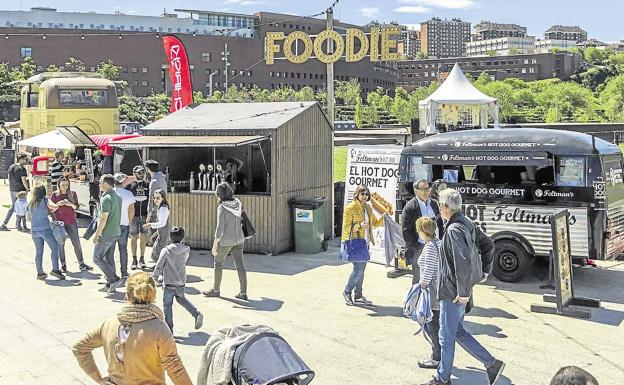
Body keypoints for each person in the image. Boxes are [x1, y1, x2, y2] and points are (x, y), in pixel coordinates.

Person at [421, 188, 504, 385]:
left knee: (445, 336)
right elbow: (488, 245)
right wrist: (484, 271)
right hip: (459, 291)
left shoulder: (452, 230)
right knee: (457, 331)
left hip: (453, 293)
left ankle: (442, 378)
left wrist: (464, 292)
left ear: (445, 207)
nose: (439, 209)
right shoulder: (466, 223)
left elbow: (462, 261)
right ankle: (491, 364)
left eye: (440, 206)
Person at [72, 272, 193, 385]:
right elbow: (175, 369)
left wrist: (98, 379)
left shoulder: (109, 323)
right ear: (153, 294)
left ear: (128, 295)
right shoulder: (159, 329)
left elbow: (79, 348)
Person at [202, 182, 248, 300]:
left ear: (219, 195)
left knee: (218, 263)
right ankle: (243, 293)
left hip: (226, 241)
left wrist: (215, 243)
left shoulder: (222, 207)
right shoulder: (238, 202)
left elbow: (220, 228)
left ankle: (216, 290)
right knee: (240, 265)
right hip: (240, 239)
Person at [152, 227, 204, 332]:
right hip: (181, 282)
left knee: (167, 306)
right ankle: (196, 313)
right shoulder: (186, 250)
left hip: (169, 283)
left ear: (170, 238)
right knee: (181, 299)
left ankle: (169, 329)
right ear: (182, 238)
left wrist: (155, 276)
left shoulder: (166, 250)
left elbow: (159, 265)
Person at [341, 185, 385, 306]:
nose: (365, 196)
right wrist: (359, 225)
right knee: (358, 270)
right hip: (355, 242)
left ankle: (358, 295)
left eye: (366, 194)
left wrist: (383, 218)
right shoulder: (350, 208)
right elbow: (346, 228)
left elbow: (374, 223)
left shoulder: (368, 208)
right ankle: (347, 291)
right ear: (357, 194)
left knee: (361, 270)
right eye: (362, 194)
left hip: (365, 242)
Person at [401, 179, 443, 284]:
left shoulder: (434, 204)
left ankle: (432, 299)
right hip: (420, 247)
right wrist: (417, 248)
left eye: (427, 189)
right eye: (422, 189)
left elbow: (440, 225)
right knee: (419, 279)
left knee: (435, 276)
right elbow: (406, 232)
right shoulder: (410, 208)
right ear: (415, 190)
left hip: (436, 245)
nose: (426, 192)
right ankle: (417, 299)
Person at [415, 217, 442, 370]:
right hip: (439, 291)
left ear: (423, 231)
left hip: (432, 292)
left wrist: (421, 289)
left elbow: (428, 271)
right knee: (435, 325)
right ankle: (438, 355)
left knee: (431, 326)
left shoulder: (430, 247)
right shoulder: (438, 243)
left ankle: (436, 357)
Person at [50, 177, 92, 272]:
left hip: (71, 221)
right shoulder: (54, 195)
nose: (65, 187)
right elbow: (51, 209)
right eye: (63, 185)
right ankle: (63, 264)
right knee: (61, 244)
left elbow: (76, 207)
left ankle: (81, 263)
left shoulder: (72, 194)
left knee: (76, 243)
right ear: (59, 185)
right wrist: (58, 204)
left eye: (66, 185)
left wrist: (69, 204)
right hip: (59, 223)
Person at [92, 174, 124, 294]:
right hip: (116, 231)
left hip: (107, 233)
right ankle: (110, 284)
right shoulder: (118, 196)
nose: (99, 184)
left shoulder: (106, 198)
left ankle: (113, 279)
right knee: (109, 258)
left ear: (106, 184)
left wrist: (97, 235)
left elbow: (103, 218)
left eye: (100, 182)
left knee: (96, 258)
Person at [27, 185, 65, 280]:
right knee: (54, 247)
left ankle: (40, 272)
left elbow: (28, 218)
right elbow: (55, 207)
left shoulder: (30, 204)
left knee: (39, 251)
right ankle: (55, 269)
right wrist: (49, 210)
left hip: (34, 230)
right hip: (45, 228)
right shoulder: (45, 200)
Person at [127, 165, 150, 269]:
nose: (141, 174)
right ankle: (134, 259)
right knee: (134, 237)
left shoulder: (148, 185)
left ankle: (142, 258)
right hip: (134, 215)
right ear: (135, 174)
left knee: (144, 237)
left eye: (142, 172)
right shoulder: (130, 186)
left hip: (145, 214)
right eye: (139, 172)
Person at [114, 172, 136, 278]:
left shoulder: (109, 193)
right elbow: (131, 210)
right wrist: (129, 222)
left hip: (111, 226)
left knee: (110, 250)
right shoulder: (129, 194)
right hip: (124, 225)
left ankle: (110, 273)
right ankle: (124, 272)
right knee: (123, 249)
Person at [1, 153, 30, 231]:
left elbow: (8, 177)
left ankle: (14, 224)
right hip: (20, 191)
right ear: (20, 159)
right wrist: (27, 189)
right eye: (25, 159)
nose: (26, 161)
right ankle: (7, 224)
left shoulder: (11, 167)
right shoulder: (22, 169)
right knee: (22, 208)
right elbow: (24, 180)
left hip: (12, 190)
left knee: (15, 206)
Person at [144, 189, 170, 264]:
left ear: (163, 198)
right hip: (162, 233)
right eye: (154, 198)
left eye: (158, 198)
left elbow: (162, 223)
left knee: (157, 253)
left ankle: (160, 269)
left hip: (164, 233)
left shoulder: (163, 209)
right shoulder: (161, 207)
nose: (155, 200)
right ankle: (159, 268)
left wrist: (150, 225)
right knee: (157, 252)